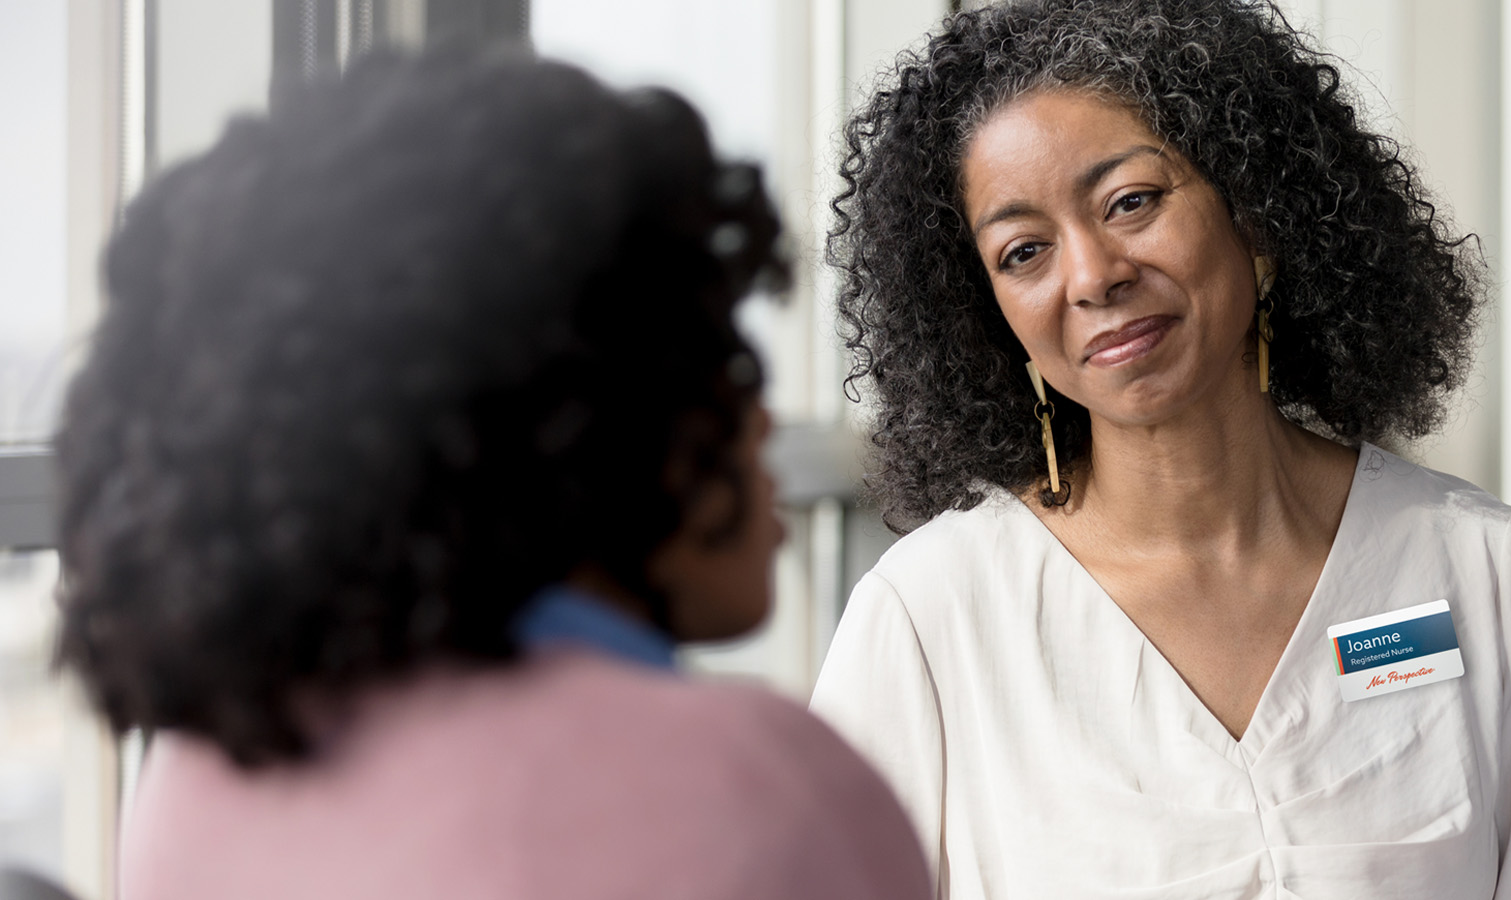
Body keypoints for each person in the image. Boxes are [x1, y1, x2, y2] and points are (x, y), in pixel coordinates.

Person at [808, 0, 1511, 897]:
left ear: (1256, 209)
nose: (1092, 276)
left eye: (1131, 202)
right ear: (987, 316)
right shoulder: (931, 616)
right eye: (1023, 253)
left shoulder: (1471, 564)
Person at [53, 50, 929, 900]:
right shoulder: (766, 795)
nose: (762, 419)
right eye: (725, 367)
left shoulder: (195, 776)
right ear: (586, 421)